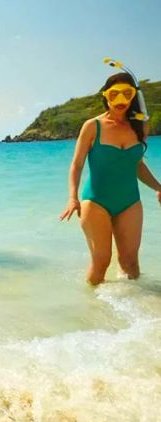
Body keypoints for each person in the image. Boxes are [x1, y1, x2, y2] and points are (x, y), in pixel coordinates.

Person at [59, 72, 161, 285]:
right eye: (114, 94)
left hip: (130, 201)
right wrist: (72, 197)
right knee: (101, 261)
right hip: (96, 201)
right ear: (106, 96)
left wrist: (158, 187)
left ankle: (133, 309)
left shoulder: (140, 127)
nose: (120, 99)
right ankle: (92, 311)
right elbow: (76, 165)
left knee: (130, 262)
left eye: (126, 93)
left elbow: (137, 166)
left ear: (133, 96)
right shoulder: (92, 126)